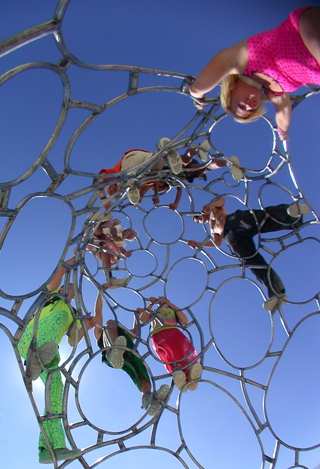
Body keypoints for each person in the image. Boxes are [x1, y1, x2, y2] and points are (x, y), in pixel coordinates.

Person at [189, 7, 320, 139]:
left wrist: (198, 96)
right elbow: (283, 116)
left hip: (305, 32)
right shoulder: (275, 93)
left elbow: (199, 86)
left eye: (241, 106)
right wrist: (282, 134)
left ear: (231, 91)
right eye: (251, 110)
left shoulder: (242, 61)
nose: (249, 106)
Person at [18, 256, 97, 464]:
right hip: (31, 339)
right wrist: (67, 264)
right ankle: (34, 359)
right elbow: (58, 276)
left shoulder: (72, 313)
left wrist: (87, 326)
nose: (66, 290)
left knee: (55, 393)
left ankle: (49, 448)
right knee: (47, 339)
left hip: (50, 355)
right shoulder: (51, 296)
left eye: (70, 289)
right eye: (65, 287)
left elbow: (73, 340)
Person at [188, 198, 309, 310]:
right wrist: (199, 243)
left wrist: (211, 205)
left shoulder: (213, 209)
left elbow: (222, 201)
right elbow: (217, 243)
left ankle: (291, 214)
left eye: (198, 216)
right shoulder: (212, 229)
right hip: (230, 238)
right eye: (197, 220)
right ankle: (276, 292)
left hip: (234, 221)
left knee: (260, 218)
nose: (199, 219)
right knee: (254, 263)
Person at [93, 285, 169, 415]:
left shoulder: (123, 337)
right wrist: (100, 293)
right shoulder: (99, 333)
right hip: (110, 353)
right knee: (111, 321)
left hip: (126, 354)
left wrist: (136, 315)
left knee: (141, 373)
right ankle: (114, 352)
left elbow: (135, 333)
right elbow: (98, 311)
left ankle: (148, 399)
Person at [137, 297, 202, 392]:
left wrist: (171, 305)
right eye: (159, 301)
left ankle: (191, 374)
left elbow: (184, 321)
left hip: (175, 333)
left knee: (187, 349)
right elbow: (143, 319)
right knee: (170, 355)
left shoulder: (174, 310)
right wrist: (151, 304)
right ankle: (179, 376)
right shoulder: (154, 311)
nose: (161, 301)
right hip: (159, 336)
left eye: (163, 299)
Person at [99, 138, 183, 205]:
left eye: (111, 190)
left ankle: (129, 183)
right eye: (115, 193)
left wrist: (103, 198)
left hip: (129, 160)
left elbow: (101, 176)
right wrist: (141, 195)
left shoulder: (114, 174)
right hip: (145, 158)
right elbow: (148, 184)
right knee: (154, 171)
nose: (114, 190)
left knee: (124, 182)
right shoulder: (139, 185)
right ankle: (162, 150)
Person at [85, 213, 136, 288]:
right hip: (97, 237)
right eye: (131, 234)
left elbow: (120, 248)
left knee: (106, 255)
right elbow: (113, 228)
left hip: (100, 247)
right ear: (126, 230)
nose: (130, 236)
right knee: (100, 232)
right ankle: (95, 221)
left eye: (132, 237)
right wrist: (115, 236)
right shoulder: (118, 227)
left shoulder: (122, 243)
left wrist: (125, 253)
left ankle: (109, 279)